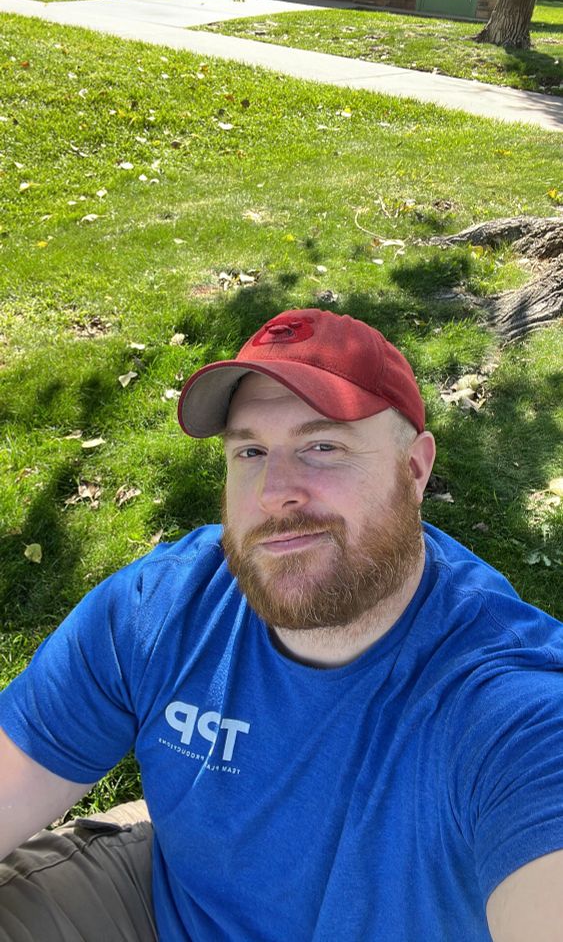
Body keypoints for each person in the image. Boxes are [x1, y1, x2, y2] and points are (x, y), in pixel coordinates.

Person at [0, 308, 562, 942]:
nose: (274, 492)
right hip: (172, 904)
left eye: (322, 446)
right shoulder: (162, 607)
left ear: (415, 468)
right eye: (251, 450)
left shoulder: (509, 705)